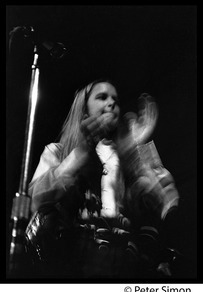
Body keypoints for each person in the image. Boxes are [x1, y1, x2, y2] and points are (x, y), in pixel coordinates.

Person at [25, 79, 181, 279]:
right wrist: (80, 153)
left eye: (115, 99)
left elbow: (165, 201)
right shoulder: (58, 152)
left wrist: (139, 147)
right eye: (102, 97)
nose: (111, 103)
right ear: (84, 111)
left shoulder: (127, 159)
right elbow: (37, 200)